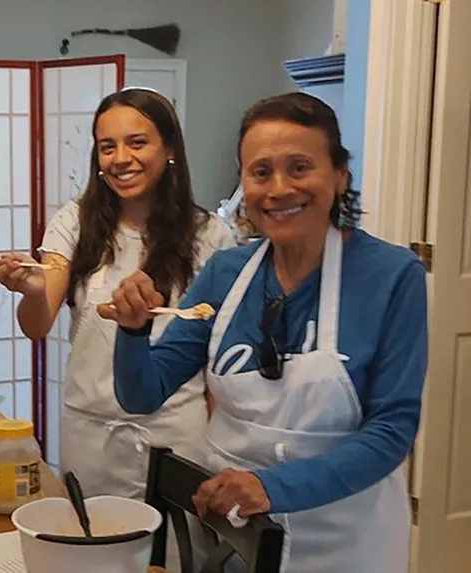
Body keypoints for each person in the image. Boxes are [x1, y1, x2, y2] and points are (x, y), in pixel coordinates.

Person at [102, 92, 427, 573]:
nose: (278, 189)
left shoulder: (392, 275)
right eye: (260, 172)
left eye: (299, 168)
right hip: (234, 533)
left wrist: (273, 488)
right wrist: (132, 333)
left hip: (346, 537)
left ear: (339, 175)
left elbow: (391, 431)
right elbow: (143, 393)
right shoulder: (227, 273)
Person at [0, 87, 236, 500]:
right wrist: (32, 292)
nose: (121, 159)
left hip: (176, 436)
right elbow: (37, 324)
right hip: (90, 435)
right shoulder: (75, 222)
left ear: (169, 147)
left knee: (171, 559)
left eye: (137, 142)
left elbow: (217, 354)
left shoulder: (211, 235)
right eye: (107, 147)